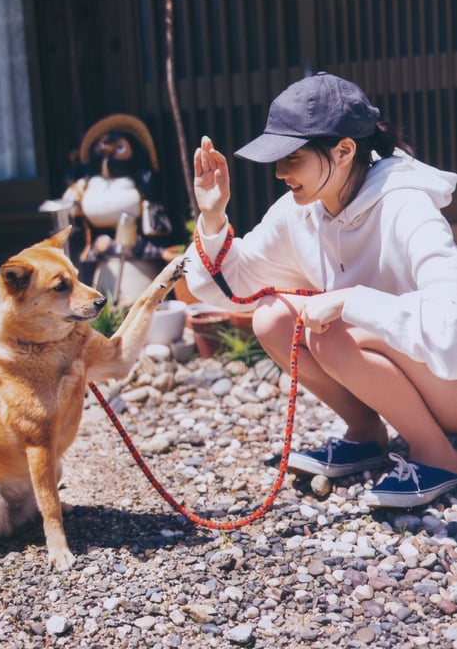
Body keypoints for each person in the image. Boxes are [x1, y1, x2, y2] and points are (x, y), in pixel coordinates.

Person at [185, 71, 457, 509]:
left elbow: (451, 325)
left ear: (345, 150)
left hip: (449, 382)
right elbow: (229, 286)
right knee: (272, 315)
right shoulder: (301, 211)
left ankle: (437, 456)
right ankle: (366, 434)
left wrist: (351, 301)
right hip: (410, 378)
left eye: (292, 157)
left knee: (328, 329)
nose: (278, 172)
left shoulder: (407, 205)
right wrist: (213, 215)